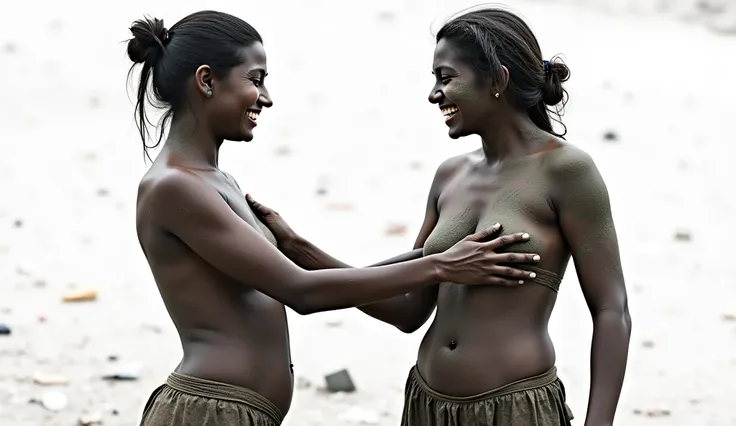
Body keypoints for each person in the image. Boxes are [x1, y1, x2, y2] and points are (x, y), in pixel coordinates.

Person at [126, 10, 542, 426]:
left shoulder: (217, 182)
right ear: (206, 80)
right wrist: (441, 265)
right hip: (207, 413)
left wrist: (298, 246)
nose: (265, 97)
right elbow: (301, 292)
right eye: (256, 80)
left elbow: (290, 278)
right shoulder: (174, 187)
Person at [248, 6, 632, 426]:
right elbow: (410, 309)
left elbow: (612, 309)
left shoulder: (567, 171)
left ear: (497, 80)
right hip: (427, 406)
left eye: (446, 78)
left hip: (514, 408)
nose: (434, 94)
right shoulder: (450, 175)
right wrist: (296, 246)